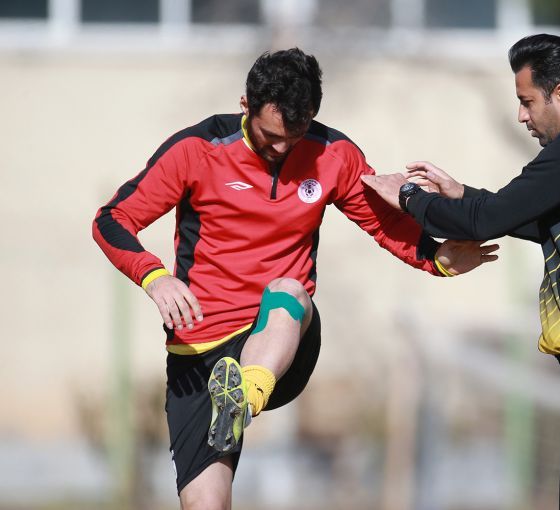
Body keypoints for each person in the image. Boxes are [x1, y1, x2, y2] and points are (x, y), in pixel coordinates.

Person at [92, 48, 498, 509]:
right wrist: (156, 278)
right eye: (270, 135)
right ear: (245, 105)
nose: (283, 148)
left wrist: (437, 257)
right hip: (200, 349)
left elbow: (383, 221)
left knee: (287, 290)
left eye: (296, 134)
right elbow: (112, 219)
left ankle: (243, 396)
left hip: (282, 341)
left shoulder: (334, 155)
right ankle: (229, 402)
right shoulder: (197, 149)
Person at [361, 34, 560, 510]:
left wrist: (408, 196)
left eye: (527, 101)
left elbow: (485, 222)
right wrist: (461, 193)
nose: (522, 116)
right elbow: (538, 219)